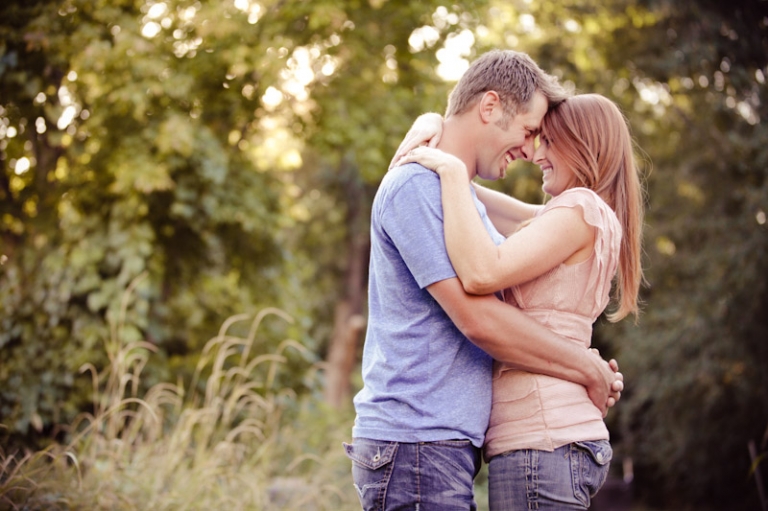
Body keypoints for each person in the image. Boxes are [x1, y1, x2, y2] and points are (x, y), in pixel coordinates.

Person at [344, 49, 624, 511]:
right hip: (417, 443)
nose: (532, 150)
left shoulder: (458, 200)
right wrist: (584, 366)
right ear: (490, 107)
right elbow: (477, 318)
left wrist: (434, 133)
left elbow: (553, 225)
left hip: (437, 447)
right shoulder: (416, 187)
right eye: (530, 132)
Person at [393, 93, 644, 510]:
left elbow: (482, 272)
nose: (536, 154)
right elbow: (472, 200)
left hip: (541, 442)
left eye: (547, 141)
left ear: (582, 146)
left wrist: (452, 171)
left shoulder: (580, 210)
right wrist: (435, 130)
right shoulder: (572, 217)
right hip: (549, 442)